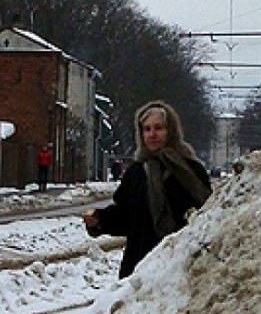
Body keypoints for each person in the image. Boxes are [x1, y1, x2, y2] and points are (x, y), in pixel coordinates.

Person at [83, 101, 212, 278]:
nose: (152, 134)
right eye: (147, 129)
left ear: (171, 131)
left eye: (158, 128)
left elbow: (208, 215)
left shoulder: (191, 171)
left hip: (181, 268)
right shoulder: (136, 173)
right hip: (140, 268)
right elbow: (126, 217)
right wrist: (99, 220)